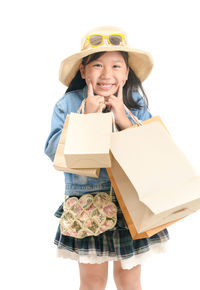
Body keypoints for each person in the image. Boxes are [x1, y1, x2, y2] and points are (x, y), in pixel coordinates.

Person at [45, 26, 169, 290]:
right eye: (97, 65)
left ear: (126, 73)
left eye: (116, 66)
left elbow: (152, 151)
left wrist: (123, 119)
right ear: (83, 71)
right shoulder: (68, 105)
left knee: (129, 279)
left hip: (131, 205)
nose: (106, 74)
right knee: (92, 281)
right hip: (87, 203)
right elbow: (53, 150)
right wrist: (87, 119)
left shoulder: (134, 103)